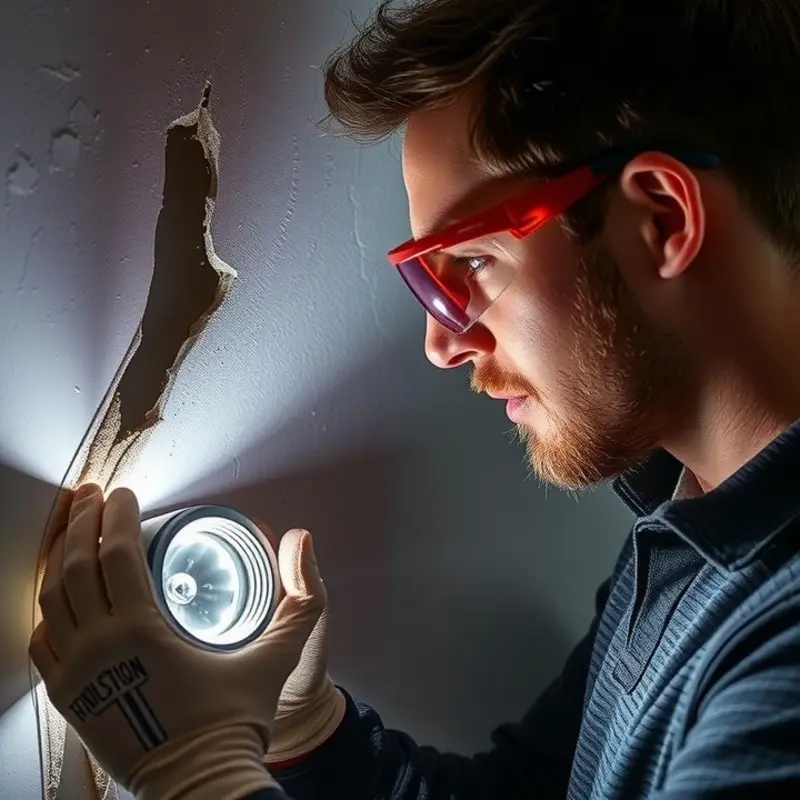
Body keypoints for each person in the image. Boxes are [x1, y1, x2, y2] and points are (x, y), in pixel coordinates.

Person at [29, 0, 800, 797]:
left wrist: (198, 774)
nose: (444, 342)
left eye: (471, 263)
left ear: (661, 220)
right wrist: (305, 730)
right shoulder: (685, 533)